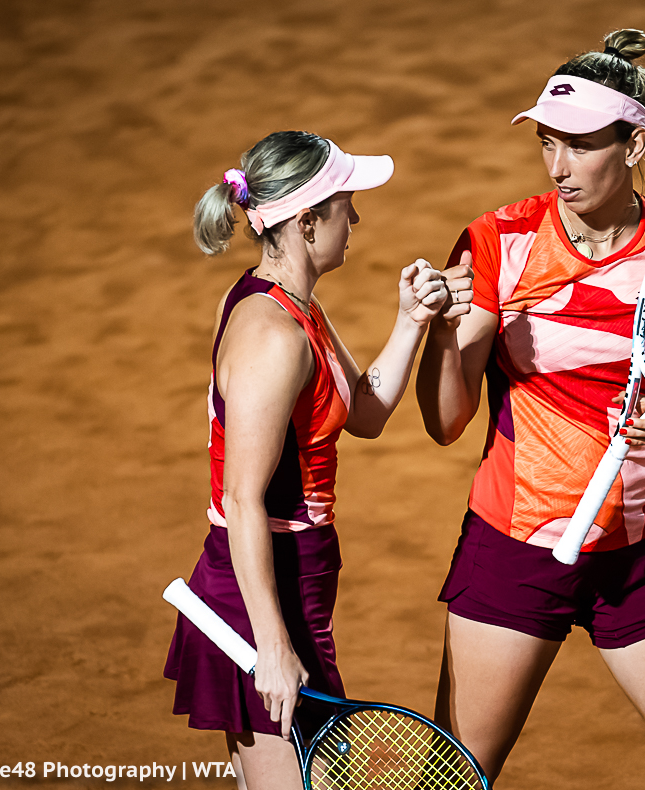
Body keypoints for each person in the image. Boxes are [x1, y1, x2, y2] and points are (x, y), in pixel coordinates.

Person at [416, 30, 645, 790]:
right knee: (455, 781)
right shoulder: (498, 242)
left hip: (642, 554)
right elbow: (444, 422)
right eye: (547, 144)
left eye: (579, 144)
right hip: (516, 546)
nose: (558, 167)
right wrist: (443, 333)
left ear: (633, 144)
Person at [164, 131, 460, 790]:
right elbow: (243, 499)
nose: (355, 219)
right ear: (307, 221)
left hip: (292, 588)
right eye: (345, 204)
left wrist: (410, 320)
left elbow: (368, 413)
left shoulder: (295, 309)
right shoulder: (273, 338)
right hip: (263, 593)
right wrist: (272, 643)